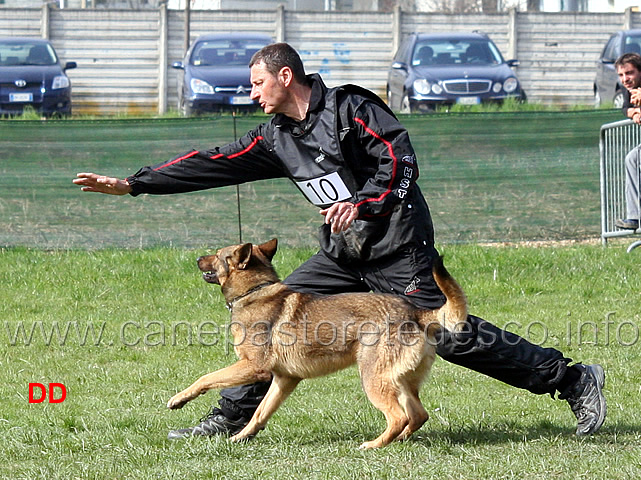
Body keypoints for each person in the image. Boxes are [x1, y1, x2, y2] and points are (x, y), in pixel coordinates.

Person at [73, 43, 606, 440]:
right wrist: (134, 183)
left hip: (398, 248)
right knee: (268, 318)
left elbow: (402, 161)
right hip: (342, 255)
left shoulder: (352, 109)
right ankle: (227, 417)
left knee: (451, 334)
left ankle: (573, 379)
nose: (251, 92)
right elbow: (213, 163)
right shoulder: (275, 136)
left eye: (258, 82)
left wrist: (365, 202)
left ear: (286, 76)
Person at [614, 52, 641, 230]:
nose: (625, 79)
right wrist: (634, 112)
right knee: (632, 158)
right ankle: (635, 217)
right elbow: (626, 108)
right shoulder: (627, 89)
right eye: (621, 75)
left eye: (629, 73)